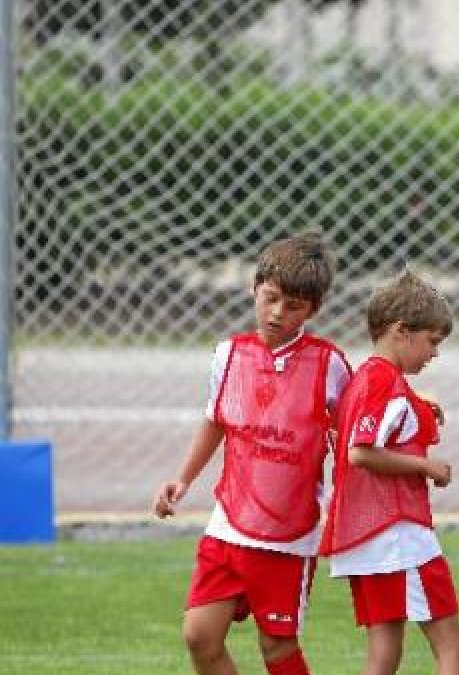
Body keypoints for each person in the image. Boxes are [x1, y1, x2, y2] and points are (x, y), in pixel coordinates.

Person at [152, 233, 351, 675]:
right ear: (255, 288)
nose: (279, 313)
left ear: (313, 310)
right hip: (229, 523)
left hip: (288, 536)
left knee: (277, 647)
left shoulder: (328, 364)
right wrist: (183, 479)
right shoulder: (228, 355)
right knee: (199, 635)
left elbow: (353, 435)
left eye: (294, 306)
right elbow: (216, 420)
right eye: (272, 298)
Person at [319, 271, 459, 675]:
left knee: (383, 656)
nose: (434, 354)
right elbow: (361, 452)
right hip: (397, 535)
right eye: (432, 341)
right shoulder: (383, 381)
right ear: (402, 331)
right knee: (453, 648)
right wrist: (426, 466)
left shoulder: (367, 377)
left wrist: (419, 407)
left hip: (365, 535)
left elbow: (370, 425)